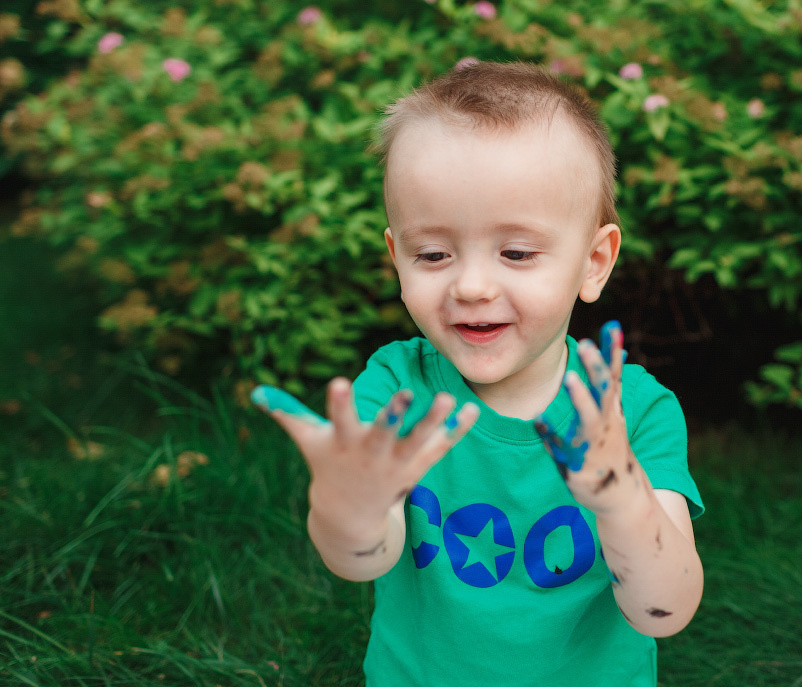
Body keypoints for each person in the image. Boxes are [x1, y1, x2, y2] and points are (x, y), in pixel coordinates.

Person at [251, 60, 704, 687]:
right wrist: (347, 504)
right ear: (396, 257)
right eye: (432, 254)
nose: (470, 285)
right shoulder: (395, 391)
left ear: (593, 263)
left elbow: (664, 611)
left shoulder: (632, 410)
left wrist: (624, 502)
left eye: (516, 252)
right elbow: (361, 561)